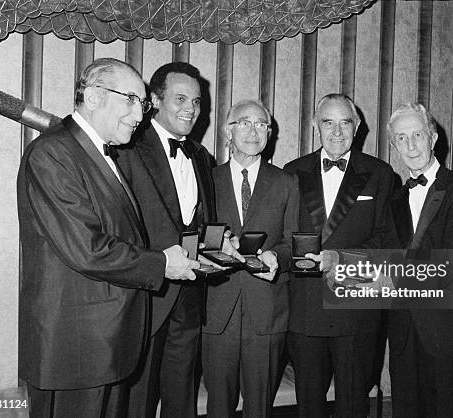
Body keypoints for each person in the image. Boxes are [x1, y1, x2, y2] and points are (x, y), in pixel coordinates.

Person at [17, 58, 199, 418]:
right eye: (131, 100)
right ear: (94, 96)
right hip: (76, 349)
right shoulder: (53, 153)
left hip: (105, 344)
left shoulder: (101, 152)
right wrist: (161, 264)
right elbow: (87, 249)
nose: (140, 114)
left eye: (143, 104)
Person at [118, 62, 241, 418]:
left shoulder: (202, 156)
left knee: (181, 393)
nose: (191, 108)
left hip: (189, 294)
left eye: (198, 101)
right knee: (137, 399)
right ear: (154, 101)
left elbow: (201, 224)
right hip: (146, 294)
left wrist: (222, 245)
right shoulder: (128, 146)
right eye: (181, 98)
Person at [283, 93, 397, 418]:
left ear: (357, 126)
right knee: (308, 406)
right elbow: (282, 238)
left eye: (345, 122)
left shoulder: (380, 173)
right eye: (328, 122)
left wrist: (340, 258)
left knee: (352, 405)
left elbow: (385, 243)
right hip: (305, 308)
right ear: (315, 126)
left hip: (356, 309)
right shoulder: (292, 171)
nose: (336, 132)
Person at [387, 102, 453, 418]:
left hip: (448, 331)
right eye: (401, 138)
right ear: (394, 146)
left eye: (417, 134)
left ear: (433, 138)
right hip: (404, 331)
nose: (411, 145)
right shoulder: (395, 199)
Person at [201, 99, 299, 417]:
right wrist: (212, 246)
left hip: (267, 309)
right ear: (228, 131)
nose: (253, 130)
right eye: (244, 122)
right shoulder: (206, 181)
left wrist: (276, 257)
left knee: (260, 407)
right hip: (217, 309)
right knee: (219, 406)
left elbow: (293, 241)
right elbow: (191, 235)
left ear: (269, 133)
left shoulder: (286, 182)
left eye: (260, 124)